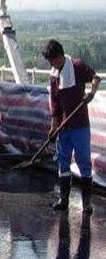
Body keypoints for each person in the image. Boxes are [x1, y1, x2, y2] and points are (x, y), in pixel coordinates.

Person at [42, 39, 101, 213]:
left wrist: (91, 93)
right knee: (63, 161)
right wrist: (53, 127)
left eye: (53, 60)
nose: (52, 64)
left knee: (83, 161)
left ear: (60, 56)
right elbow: (55, 104)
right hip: (63, 126)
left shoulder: (76, 66)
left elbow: (95, 78)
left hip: (79, 124)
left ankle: (86, 203)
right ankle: (64, 199)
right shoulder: (54, 75)